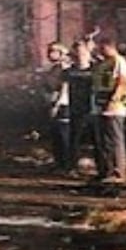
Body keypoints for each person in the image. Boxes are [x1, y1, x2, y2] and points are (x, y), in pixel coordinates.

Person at [91, 36, 126, 185]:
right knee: (102, 141)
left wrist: (113, 100)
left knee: (114, 140)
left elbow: (124, 82)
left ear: (109, 46)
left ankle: (117, 171)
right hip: (99, 105)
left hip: (113, 107)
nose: (100, 51)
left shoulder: (118, 61)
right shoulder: (102, 63)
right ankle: (104, 170)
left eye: (102, 48)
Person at [62, 40, 98, 176]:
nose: (80, 56)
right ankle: (71, 167)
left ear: (88, 54)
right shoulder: (68, 72)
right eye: (77, 54)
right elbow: (62, 88)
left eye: (83, 53)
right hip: (75, 109)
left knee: (97, 140)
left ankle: (101, 168)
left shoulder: (95, 70)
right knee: (74, 139)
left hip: (93, 109)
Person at [43, 41, 73, 173]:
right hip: (52, 102)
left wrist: (57, 105)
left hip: (62, 105)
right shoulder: (53, 68)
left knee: (63, 135)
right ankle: (58, 162)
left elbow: (64, 88)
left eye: (53, 51)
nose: (49, 53)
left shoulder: (64, 68)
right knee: (55, 135)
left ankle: (66, 164)